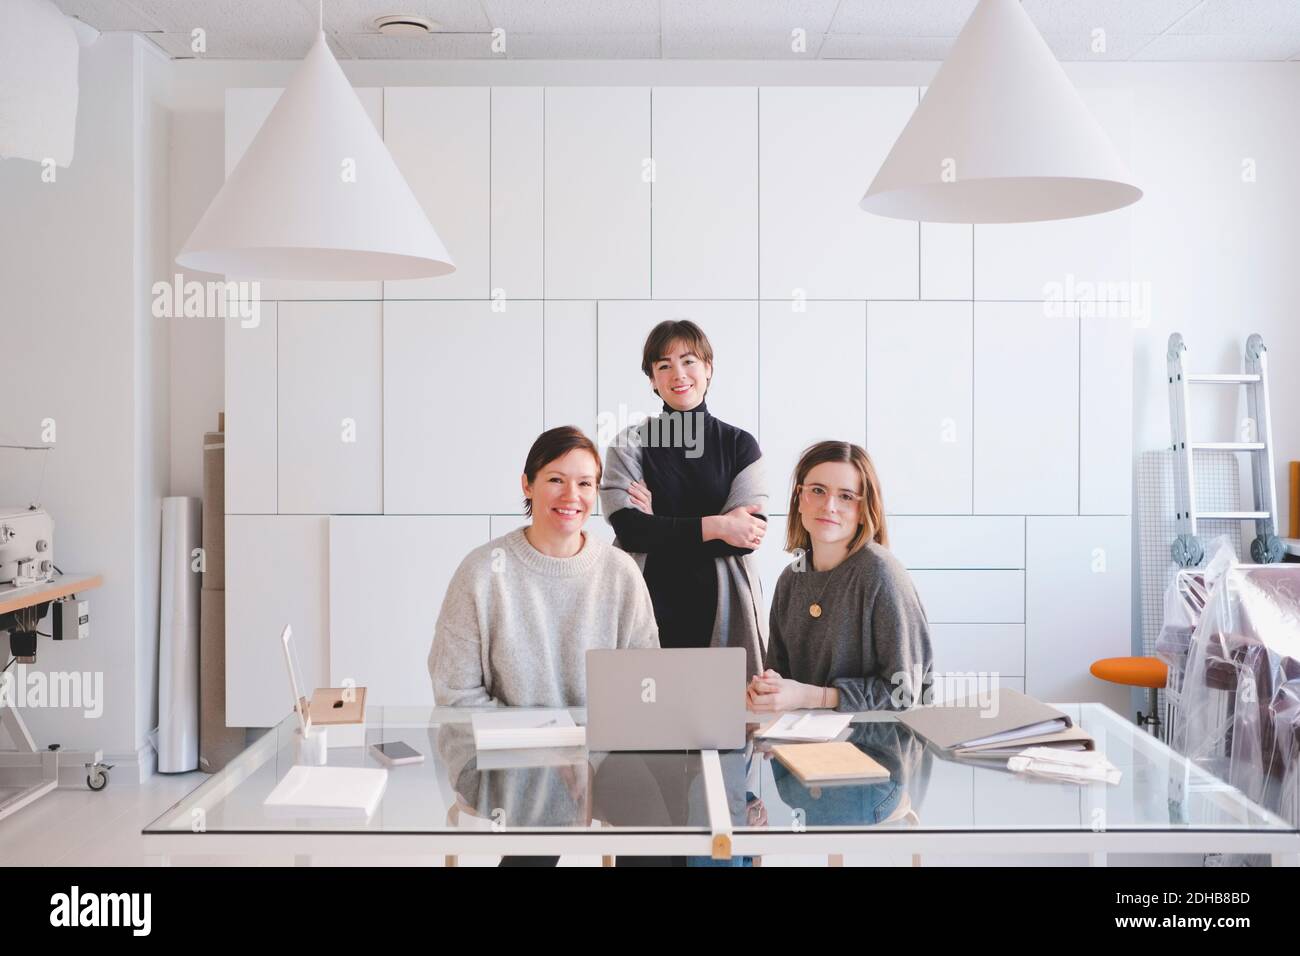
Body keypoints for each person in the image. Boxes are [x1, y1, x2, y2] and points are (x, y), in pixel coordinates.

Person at [429, 425, 659, 709]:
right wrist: (536, 745)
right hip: (505, 751)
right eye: (556, 480)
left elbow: (644, 683)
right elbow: (456, 693)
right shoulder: (481, 572)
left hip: (597, 752)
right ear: (527, 485)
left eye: (585, 483)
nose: (571, 495)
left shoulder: (621, 572)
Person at [601, 319, 767, 678]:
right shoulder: (629, 443)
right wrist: (720, 525)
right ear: (653, 380)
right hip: (647, 601)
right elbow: (631, 532)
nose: (678, 373)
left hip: (723, 608)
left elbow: (747, 539)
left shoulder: (740, 445)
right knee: (638, 723)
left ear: (708, 369)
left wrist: (659, 523)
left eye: (689, 360)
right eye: (664, 365)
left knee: (726, 727)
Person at [749, 441, 932, 714]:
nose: (829, 506)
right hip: (803, 743)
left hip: (878, 747)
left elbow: (903, 692)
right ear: (799, 499)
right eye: (818, 491)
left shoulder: (882, 575)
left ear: (863, 510)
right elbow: (780, 676)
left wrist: (813, 697)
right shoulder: (790, 579)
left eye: (846, 496)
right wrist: (766, 691)